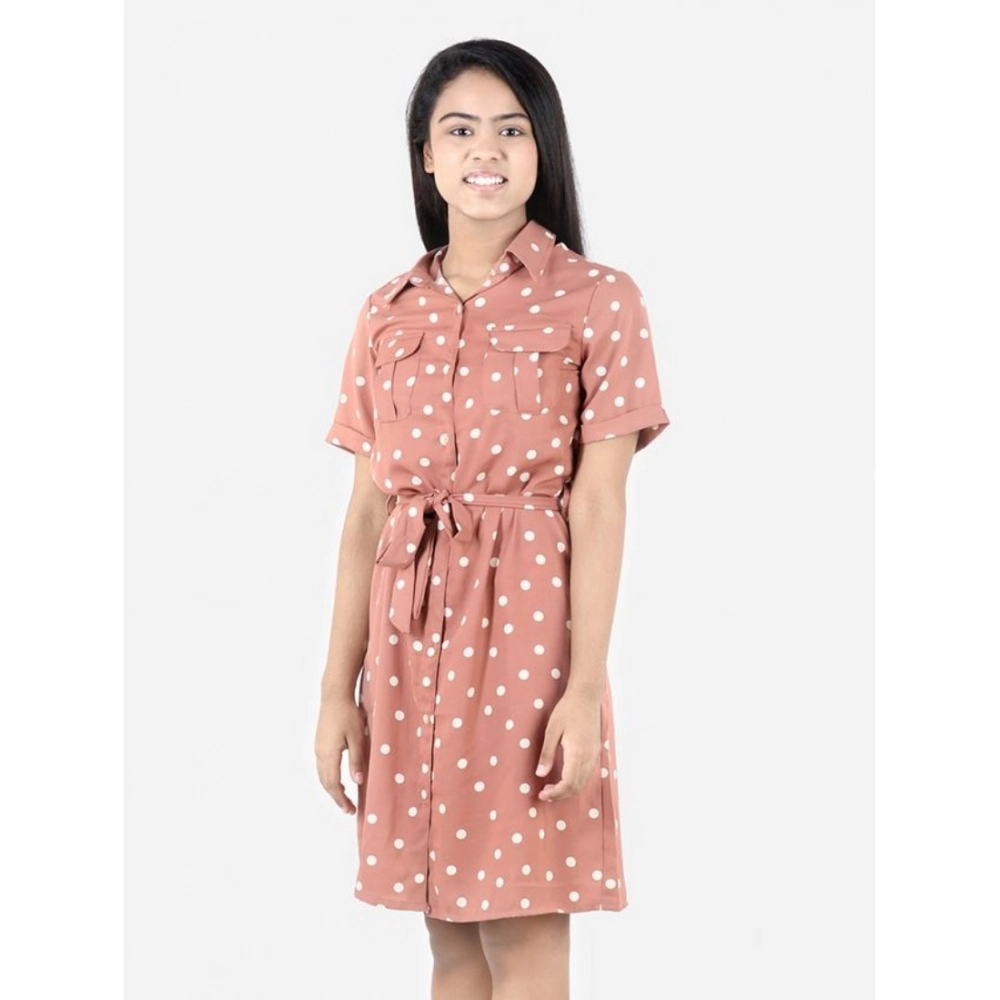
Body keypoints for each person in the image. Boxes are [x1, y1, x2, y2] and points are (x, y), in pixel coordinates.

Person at [315, 37, 671, 1000]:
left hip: (527, 646)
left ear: (542, 149)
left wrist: (584, 691)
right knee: (449, 943)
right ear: (426, 157)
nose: (486, 150)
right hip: (408, 644)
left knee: (525, 937)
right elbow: (367, 515)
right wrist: (336, 689)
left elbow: (600, 502)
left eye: (512, 130)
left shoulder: (598, 300)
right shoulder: (386, 312)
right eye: (460, 130)